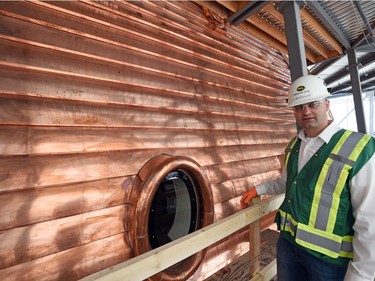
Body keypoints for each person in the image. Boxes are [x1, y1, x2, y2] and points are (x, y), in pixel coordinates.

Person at [240, 75, 375, 281]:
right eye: (299, 107)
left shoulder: (359, 149)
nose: (306, 112)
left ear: (327, 103)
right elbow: (288, 181)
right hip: (289, 246)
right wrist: (259, 189)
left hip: (329, 261)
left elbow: (369, 219)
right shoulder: (294, 145)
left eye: (313, 104)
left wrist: (361, 275)